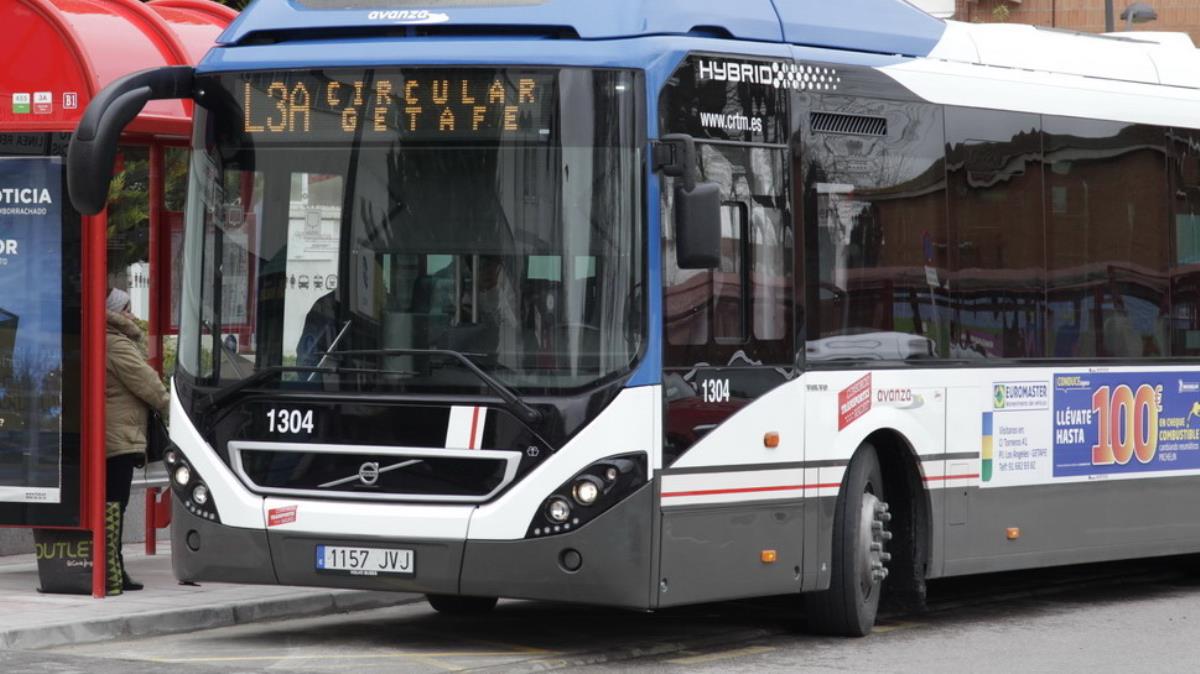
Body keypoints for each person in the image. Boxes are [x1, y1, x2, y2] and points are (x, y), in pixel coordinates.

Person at [105, 288, 170, 593]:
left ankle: (109, 566)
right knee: (115, 506)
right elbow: (149, 384)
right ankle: (111, 569)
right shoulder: (116, 343)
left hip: (110, 436)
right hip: (118, 439)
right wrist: (174, 410)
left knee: (112, 506)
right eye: (127, 309)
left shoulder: (104, 339)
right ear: (115, 312)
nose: (132, 316)